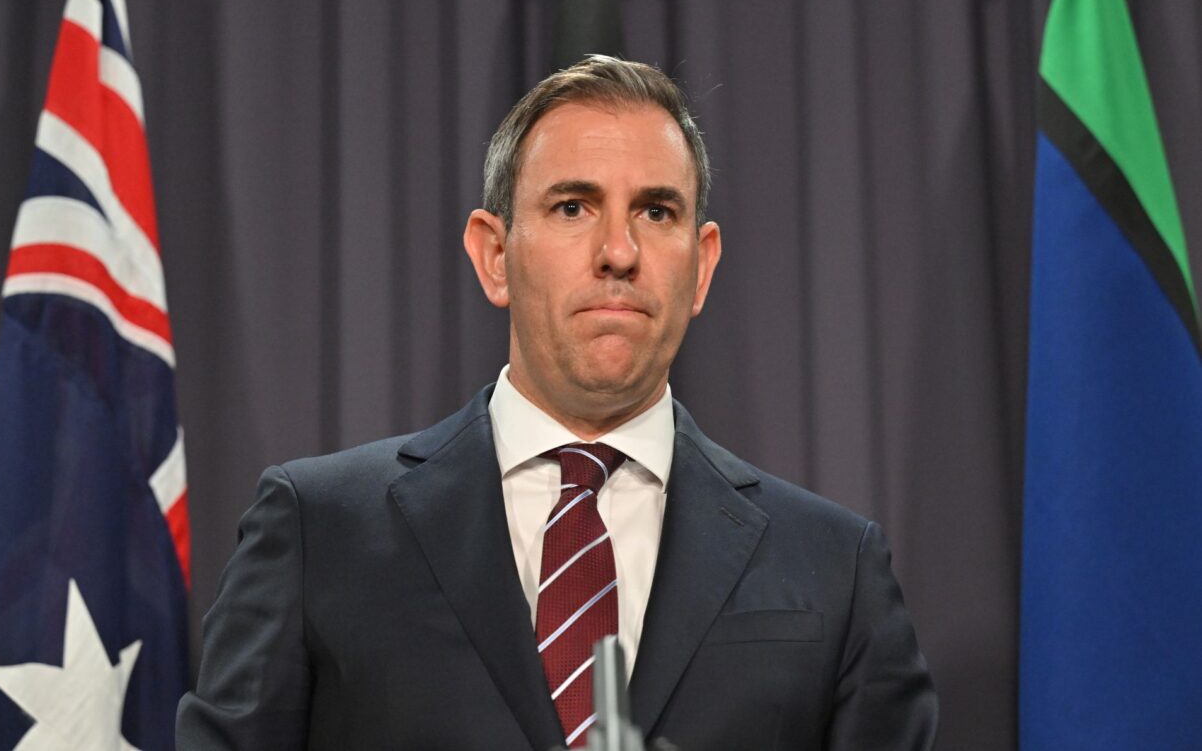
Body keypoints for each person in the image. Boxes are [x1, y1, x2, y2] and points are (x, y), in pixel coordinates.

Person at [176, 56, 937, 750]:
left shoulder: (833, 567)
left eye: (657, 211)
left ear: (701, 268)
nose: (618, 250)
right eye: (573, 207)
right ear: (494, 255)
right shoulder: (321, 530)